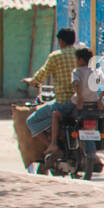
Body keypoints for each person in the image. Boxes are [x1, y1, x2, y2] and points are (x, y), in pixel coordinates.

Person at [23, 28, 79, 156]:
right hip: (80, 100)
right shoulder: (81, 55)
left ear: (61, 41)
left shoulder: (55, 57)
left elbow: (41, 76)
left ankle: (52, 146)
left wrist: (32, 81)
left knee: (31, 122)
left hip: (62, 102)